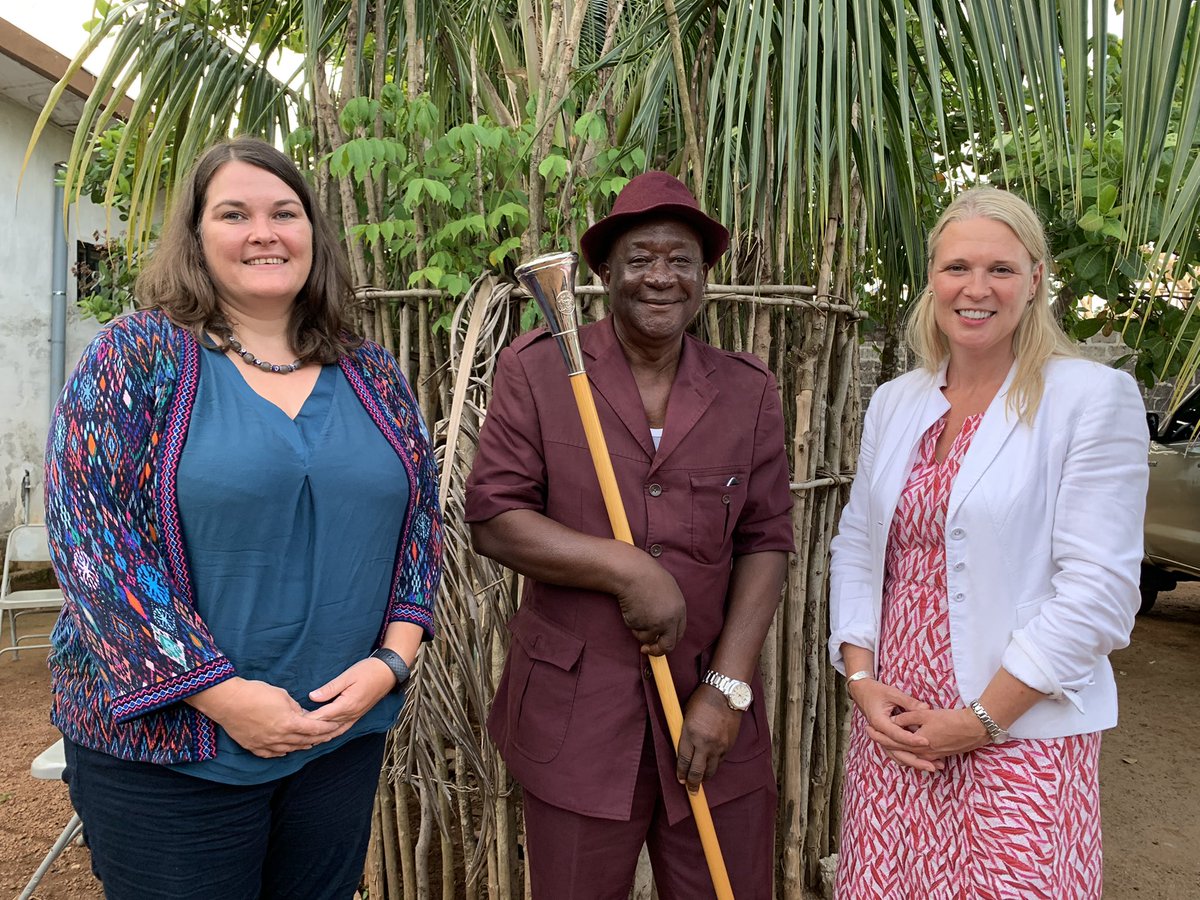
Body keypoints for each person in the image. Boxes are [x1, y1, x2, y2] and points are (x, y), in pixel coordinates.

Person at [44, 136, 442, 900]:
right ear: (196, 238)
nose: (264, 232)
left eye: (284, 213)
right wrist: (223, 696)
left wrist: (390, 662)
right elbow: (96, 548)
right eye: (234, 213)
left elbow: (421, 526)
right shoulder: (137, 357)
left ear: (313, 237)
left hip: (336, 738)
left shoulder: (372, 373)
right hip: (171, 756)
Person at [465, 172, 794, 898]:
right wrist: (626, 570)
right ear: (604, 272)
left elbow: (767, 540)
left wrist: (727, 690)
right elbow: (493, 515)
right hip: (577, 718)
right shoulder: (541, 370)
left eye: (681, 260)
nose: (661, 277)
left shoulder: (747, 391)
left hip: (709, 710)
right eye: (641, 258)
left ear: (703, 277)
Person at [828, 186, 1148, 898]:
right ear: (932, 281)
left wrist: (977, 722)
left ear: (1037, 279)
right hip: (899, 727)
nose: (977, 289)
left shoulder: (1087, 399)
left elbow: (1099, 593)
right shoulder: (898, 401)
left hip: (1016, 728)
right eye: (957, 267)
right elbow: (858, 545)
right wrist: (861, 681)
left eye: (1001, 269)